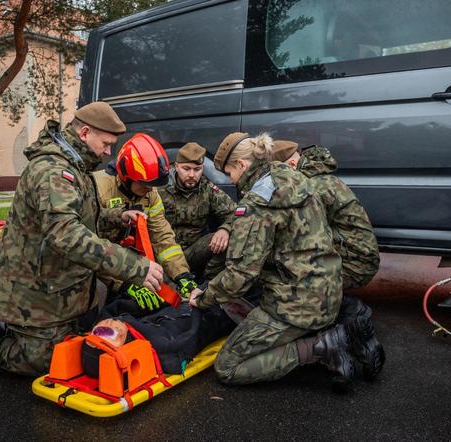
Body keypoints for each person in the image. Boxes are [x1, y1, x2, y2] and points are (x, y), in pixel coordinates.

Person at [0, 102, 162, 376]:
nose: (109, 151)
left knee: (80, 340)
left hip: (54, 284)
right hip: (35, 289)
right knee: (48, 360)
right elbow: (65, 234)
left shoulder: (75, 165)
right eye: (107, 143)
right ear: (86, 132)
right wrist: (135, 266)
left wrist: (115, 218)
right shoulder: (54, 170)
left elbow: (79, 219)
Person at [189, 132, 369, 392]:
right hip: (330, 293)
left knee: (228, 366)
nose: (230, 180)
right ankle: (322, 335)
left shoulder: (257, 202)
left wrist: (204, 297)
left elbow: (240, 275)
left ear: (241, 165)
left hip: (297, 305)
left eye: (229, 173)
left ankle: (319, 348)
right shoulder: (296, 178)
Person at [272, 139, 384, 380]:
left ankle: (348, 317)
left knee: (295, 280)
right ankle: (354, 333)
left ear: (291, 163)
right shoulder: (321, 177)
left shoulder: (312, 187)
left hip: (353, 262)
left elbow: (303, 239)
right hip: (358, 256)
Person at [93, 134, 196, 311]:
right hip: (97, 264)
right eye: (144, 185)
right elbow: (90, 249)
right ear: (126, 177)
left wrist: (182, 275)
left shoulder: (150, 192)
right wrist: (122, 284)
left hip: (131, 260)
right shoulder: (97, 189)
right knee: (99, 302)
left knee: (161, 296)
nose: (149, 190)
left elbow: (162, 238)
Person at [159, 142, 236, 281]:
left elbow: (235, 213)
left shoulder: (207, 189)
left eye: (197, 169)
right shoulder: (160, 188)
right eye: (186, 169)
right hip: (164, 254)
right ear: (176, 166)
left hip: (193, 252)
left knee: (227, 239)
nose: (192, 175)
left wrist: (225, 229)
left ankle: (207, 284)